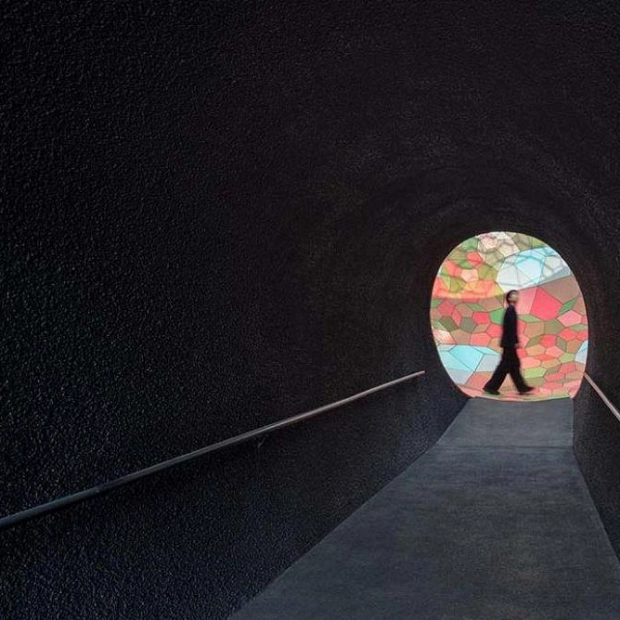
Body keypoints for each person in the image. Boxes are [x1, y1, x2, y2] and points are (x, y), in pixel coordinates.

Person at [483, 289, 535, 396]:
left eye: (517, 295)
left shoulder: (511, 310)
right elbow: (510, 328)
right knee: (505, 366)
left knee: (513, 365)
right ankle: (491, 387)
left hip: (508, 343)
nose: (517, 297)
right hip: (509, 343)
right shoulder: (510, 310)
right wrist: (514, 341)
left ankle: (522, 388)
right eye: (514, 295)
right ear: (509, 298)